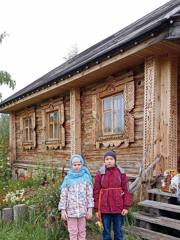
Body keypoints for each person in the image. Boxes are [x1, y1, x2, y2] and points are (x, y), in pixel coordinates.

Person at [93, 150, 132, 240]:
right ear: (104, 161)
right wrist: (96, 209)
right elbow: (96, 191)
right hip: (104, 208)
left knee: (118, 232)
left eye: (111, 159)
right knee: (106, 232)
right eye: (107, 159)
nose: (109, 161)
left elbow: (126, 190)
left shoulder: (121, 173)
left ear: (115, 160)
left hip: (118, 208)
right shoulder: (100, 173)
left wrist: (126, 207)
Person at [58, 154, 94, 240]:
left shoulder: (86, 178)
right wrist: (63, 210)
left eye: (79, 164)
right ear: (71, 165)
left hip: (82, 210)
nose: (77, 166)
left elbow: (89, 195)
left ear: (82, 164)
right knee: (73, 231)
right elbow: (63, 196)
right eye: (75, 165)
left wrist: (90, 209)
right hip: (71, 211)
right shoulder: (67, 179)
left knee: (82, 230)